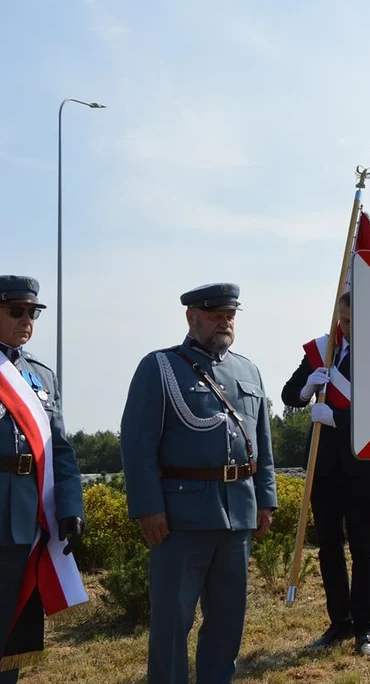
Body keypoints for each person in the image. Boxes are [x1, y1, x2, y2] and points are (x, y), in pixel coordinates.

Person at [120, 282, 278, 683]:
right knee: (173, 621)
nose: (224, 322)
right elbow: (138, 445)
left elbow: (262, 443)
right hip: (180, 518)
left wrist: (265, 500)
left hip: (237, 517)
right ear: (192, 318)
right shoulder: (159, 367)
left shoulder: (248, 370)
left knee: (228, 619)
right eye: (215, 315)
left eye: (230, 315)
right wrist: (147, 508)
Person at [281, 291, 370, 657]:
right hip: (322, 465)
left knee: (363, 548)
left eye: (352, 321)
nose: (345, 327)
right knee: (328, 547)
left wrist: (338, 418)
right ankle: (338, 621)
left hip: (361, 464)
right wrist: (308, 388)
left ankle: (364, 628)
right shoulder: (323, 349)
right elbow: (288, 394)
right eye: (342, 319)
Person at [0, 276, 85, 682]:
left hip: (29, 522)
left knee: (17, 627)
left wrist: (70, 507)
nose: (26, 320)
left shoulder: (41, 375)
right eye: (16, 311)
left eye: (32, 312)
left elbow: (61, 450)